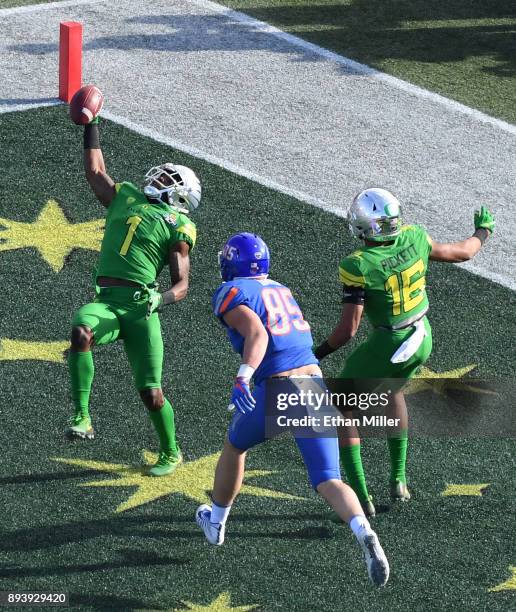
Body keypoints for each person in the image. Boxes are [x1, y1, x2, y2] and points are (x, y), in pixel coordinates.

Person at [195, 232, 390, 587]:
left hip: (281, 388)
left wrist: (244, 375)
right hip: (314, 384)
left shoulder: (230, 292)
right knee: (329, 479)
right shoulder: (280, 289)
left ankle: (216, 521)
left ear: (231, 263)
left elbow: (258, 335)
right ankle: (364, 532)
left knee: (235, 444)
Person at [314, 188, 495, 515]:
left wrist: (317, 354)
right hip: (422, 336)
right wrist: (483, 230)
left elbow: (347, 331)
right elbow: (463, 253)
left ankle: (359, 496)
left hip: (390, 342)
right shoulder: (415, 237)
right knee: (393, 391)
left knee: (341, 410)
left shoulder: (358, 264)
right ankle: (398, 480)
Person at [67, 114, 201, 477]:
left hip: (142, 309)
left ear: (178, 195)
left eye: (167, 180)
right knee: (81, 332)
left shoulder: (177, 224)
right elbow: (95, 173)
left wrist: (161, 300)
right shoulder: (126, 196)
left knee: (151, 393)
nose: (157, 179)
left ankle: (171, 451)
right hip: (108, 302)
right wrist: (91, 124)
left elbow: (182, 285)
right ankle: (82, 415)